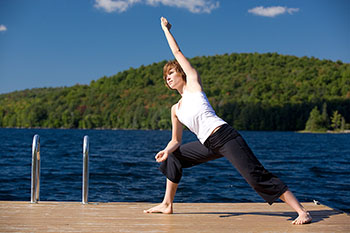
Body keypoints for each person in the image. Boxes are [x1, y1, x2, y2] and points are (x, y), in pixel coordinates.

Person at [144, 17, 312, 225]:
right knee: (173, 158)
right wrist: (167, 150)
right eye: (165, 77)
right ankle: (167, 204)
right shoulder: (175, 109)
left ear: (181, 74)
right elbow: (176, 140)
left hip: (224, 136)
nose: (168, 78)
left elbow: (177, 53)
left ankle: (301, 211)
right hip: (208, 144)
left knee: (255, 176)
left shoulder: (193, 85)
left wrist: (165, 30)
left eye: (171, 73)